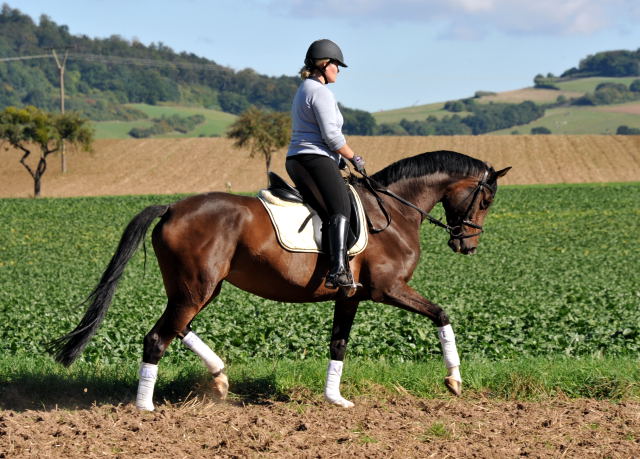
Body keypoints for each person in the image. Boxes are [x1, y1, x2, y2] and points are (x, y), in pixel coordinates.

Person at [286, 38, 366, 290]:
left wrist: (340, 159)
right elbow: (332, 136)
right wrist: (353, 157)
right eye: (336, 65)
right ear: (324, 64)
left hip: (298, 159)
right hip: (314, 158)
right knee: (340, 208)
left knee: (327, 207)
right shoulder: (320, 92)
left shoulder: (304, 89)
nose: (339, 70)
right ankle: (338, 270)